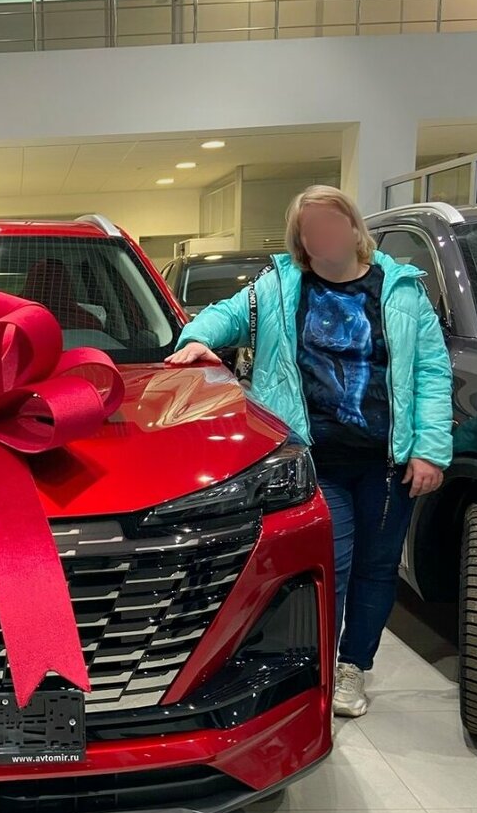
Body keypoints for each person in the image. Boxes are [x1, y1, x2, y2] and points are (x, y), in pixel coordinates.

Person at [164, 185, 453, 716]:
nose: (324, 235)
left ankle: (353, 667)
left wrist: (430, 451)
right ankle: (317, 668)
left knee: (377, 568)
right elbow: (223, 316)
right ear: (300, 238)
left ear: (353, 226)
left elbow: (432, 374)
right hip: (314, 459)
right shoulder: (277, 287)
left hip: (386, 462)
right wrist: (196, 340)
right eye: (310, 228)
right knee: (328, 567)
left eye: (332, 223)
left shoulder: (402, 290)